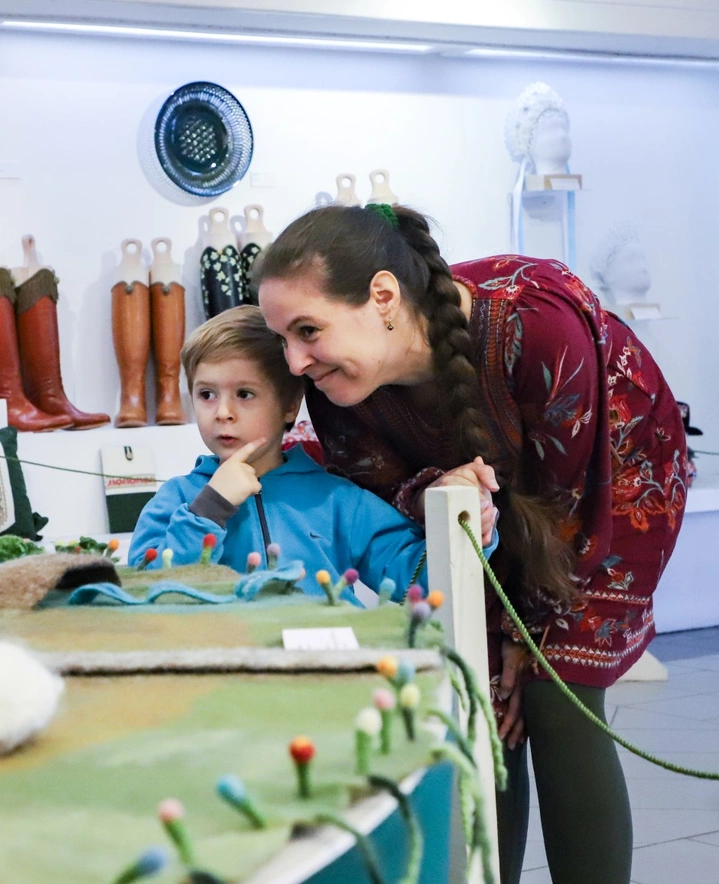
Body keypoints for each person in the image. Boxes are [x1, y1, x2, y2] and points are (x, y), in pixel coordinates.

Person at [255, 203, 688, 884]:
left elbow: (573, 503)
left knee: (556, 692)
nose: (294, 361)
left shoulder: (536, 325)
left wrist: (527, 636)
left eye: (307, 331)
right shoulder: (339, 390)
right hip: (482, 524)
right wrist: (486, 619)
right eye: (282, 339)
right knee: (484, 698)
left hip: (612, 486)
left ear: (383, 297)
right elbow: (400, 505)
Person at [128, 305, 487, 602]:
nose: (222, 412)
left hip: (327, 674)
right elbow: (144, 592)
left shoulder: (337, 499)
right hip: (222, 676)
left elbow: (420, 581)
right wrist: (210, 509)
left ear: (289, 405)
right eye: (206, 394)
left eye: (244, 394)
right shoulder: (178, 500)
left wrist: (468, 528)